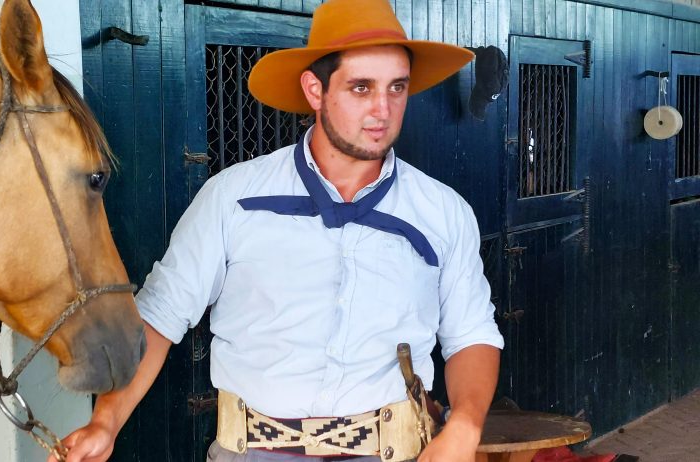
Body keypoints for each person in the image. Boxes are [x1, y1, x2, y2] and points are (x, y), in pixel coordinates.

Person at [53, 0, 504, 460]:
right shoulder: (232, 198)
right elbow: (160, 316)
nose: (382, 110)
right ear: (315, 89)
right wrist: (105, 423)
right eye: (361, 88)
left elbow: (472, 334)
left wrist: (465, 426)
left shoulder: (443, 212)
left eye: (397, 88)